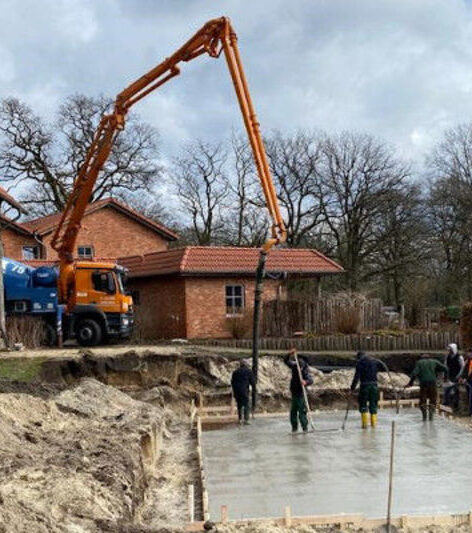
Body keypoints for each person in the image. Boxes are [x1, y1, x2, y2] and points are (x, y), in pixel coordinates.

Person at [405, 354, 448, 421]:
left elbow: (414, 373)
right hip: (432, 383)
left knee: (423, 400)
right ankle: (431, 417)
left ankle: (424, 417)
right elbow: (446, 369)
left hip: (423, 384)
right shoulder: (434, 362)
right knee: (433, 399)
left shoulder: (419, 363)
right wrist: (446, 379)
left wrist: (410, 383)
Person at [350, 351, 383, 428]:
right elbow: (381, 367)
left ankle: (364, 426)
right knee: (373, 406)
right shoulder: (374, 362)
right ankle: (374, 426)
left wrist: (352, 388)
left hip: (365, 387)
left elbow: (356, 377)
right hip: (374, 387)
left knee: (363, 405)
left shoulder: (360, 363)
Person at [284, 348, 313, 433]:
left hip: (301, 394)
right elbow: (286, 361)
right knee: (293, 412)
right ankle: (294, 428)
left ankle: (305, 428)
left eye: (300, 367)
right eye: (298, 367)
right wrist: (289, 354)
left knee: (302, 412)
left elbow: (311, 380)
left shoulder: (305, 371)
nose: (299, 369)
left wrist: (305, 382)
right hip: (294, 392)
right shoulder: (294, 367)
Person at [231, 360, 255, 425]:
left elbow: (232, 382)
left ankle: (240, 419)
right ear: (246, 365)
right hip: (244, 391)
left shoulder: (235, 372)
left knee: (239, 405)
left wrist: (234, 391)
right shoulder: (249, 371)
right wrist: (253, 389)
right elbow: (252, 382)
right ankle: (246, 419)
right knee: (246, 404)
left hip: (237, 391)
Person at [444, 343, 464, 409]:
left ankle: (456, 404)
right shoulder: (447, 357)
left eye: (450, 349)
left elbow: (462, 367)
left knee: (456, 390)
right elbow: (445, 366)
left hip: (456, 375)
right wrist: (445, 375)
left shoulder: (459, 357)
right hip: (449, 375)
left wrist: (459, 376)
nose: (449, 351)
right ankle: (447, 403)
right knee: (447, 390)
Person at [460, 348, 472, 416]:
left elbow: (470, 372)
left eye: (470, 353)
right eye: (468, 353)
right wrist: (462, 377)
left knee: (471, 396)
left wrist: (466, 378)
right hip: (468, 381)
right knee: (468, 395)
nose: (469, 354)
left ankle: (470, 412)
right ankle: (469, 411)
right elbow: (464, 370)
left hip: (470, 381)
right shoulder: (467, 361)